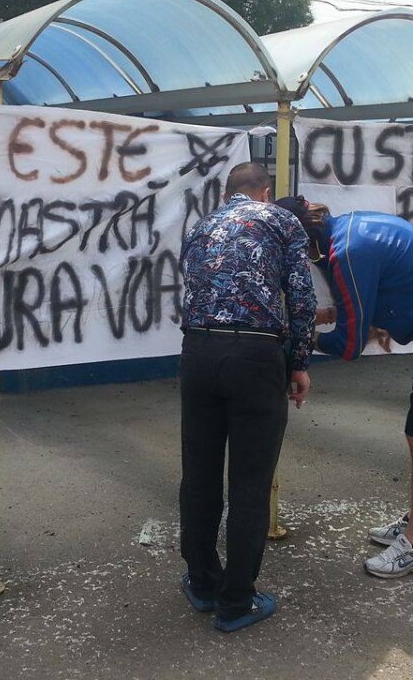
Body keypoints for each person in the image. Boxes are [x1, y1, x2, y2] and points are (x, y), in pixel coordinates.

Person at [276, 196, 413, 579]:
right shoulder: (344, 231)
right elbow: (358, 305)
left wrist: (304, 338)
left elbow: (348, 345)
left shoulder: (346, 253)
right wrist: (324, 317)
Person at [178, 163, 315, 632]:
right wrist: (298, 362)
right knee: (250, 482)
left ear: (227, 191)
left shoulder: (200, 227)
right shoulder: (280, 219)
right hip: (255, 355)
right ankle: (236, 601)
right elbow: (300, 297)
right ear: (265, 190)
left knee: (198, 473)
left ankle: (201, 582)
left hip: (197, 351)